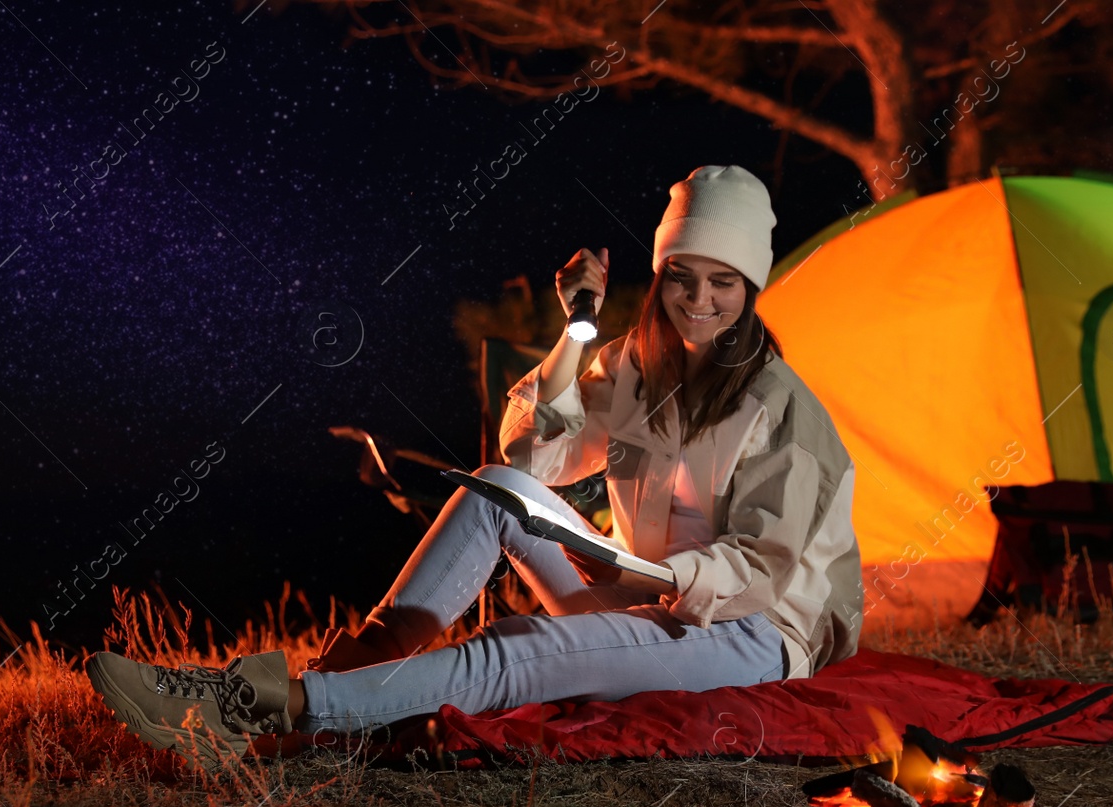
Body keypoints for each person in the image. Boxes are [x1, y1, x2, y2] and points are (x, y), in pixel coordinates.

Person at [85, 164, 863, 771]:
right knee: (498, 490)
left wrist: (649, 581)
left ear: (750, 287)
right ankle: (342, 678)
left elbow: (764, 566)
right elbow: (531, 455)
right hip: (639, 600)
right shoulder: (639, 367)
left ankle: (268, 705)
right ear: (661, 275)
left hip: (747, 633)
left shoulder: (780, 408)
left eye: (722, 282)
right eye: (682, 277)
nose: (699, 299)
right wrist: (580, 331)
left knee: (522, 649)